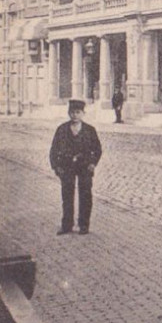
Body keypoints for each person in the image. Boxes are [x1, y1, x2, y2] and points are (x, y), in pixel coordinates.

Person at [49, 99, 102, 235]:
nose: (75, 115)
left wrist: (92, 163)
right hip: (67, 166)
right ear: (68, 113)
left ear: (83, 113)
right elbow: (53, 150)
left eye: (78, 112)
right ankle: (67, 225)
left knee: (85, 195)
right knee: (67, 196)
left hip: (85, 166)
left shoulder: (90, 130)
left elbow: (98, 149)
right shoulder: (62, 129)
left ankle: (84, 225)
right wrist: (56, 167)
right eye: (72, 112)